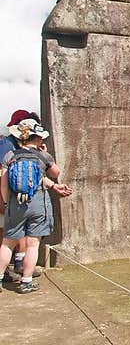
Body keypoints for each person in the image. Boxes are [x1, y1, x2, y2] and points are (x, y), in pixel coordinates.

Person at [0, 118, 72, 293]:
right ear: (38, 138)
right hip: (38, 204)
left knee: (7, 243)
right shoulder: (42, 156)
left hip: (15, 203)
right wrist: (46, 155)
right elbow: (56, 172)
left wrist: (5, 201)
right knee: (33, 244)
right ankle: (26, 281)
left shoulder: (11, 155)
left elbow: (3, 180)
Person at [0, 109, 39, 279]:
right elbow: (2, 172)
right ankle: (6, 271)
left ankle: (19, 265)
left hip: (14, 198)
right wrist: (3, 199)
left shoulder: (14, 145)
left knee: (16, 233)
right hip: (7, 197)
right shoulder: (7, 145)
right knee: (6, 234)